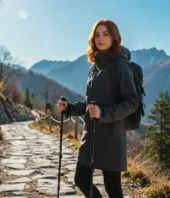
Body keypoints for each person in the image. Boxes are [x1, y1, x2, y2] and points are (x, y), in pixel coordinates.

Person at [57, 19, 138, 198]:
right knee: (81, 179)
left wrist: (104, 113)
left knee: (113, 188)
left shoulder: (120, 65)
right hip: (91, 134)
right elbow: (89, 103)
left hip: (111, 135)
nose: (100, 38)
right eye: (97, 35)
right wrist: (69, 108)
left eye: (105, 34)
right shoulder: (94, 68)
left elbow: (131, 102)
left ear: (114, 37)